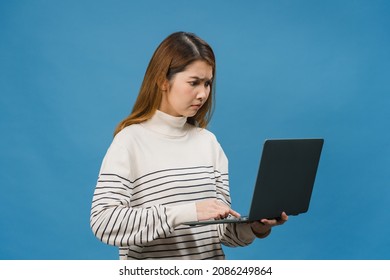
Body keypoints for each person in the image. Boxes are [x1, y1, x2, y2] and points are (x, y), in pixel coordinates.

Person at [90, 31, 288, 260]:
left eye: (207, 83)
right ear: (163, 80)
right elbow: (104, 222)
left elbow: (220, 232)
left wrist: (256, 227)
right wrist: (188, 212)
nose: (203, 94)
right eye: (194, 82)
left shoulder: (209, 143)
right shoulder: (129, 141)